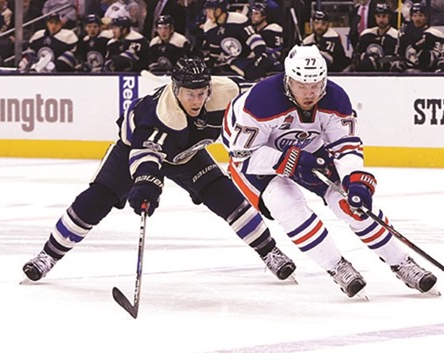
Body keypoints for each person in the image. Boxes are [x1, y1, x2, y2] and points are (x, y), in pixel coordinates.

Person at [22, 57, 297, 283]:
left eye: (202, 93)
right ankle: (48, 256)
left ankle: (270, 252)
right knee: (96, 200)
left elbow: (259, 95)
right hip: (133, 151)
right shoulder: (160, 115)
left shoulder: (224, 92)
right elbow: (146, 155)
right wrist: (147, 186)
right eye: (190, 94)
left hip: (186, 155)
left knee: (225, 197)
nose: (197, 101)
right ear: (176, 89)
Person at [222, 44, 438, 298]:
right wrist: (290, 159)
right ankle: (337, 267)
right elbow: (243, 156)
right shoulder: (261, 101)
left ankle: (401, 262)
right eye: (302, 85)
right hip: (257, 156)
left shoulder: (336, 98)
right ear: (288, 79)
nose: (309, 93)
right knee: (286, 204)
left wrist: (354, 180)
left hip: (309, 148)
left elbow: (345, 146)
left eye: (315, 85)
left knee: (352, 204)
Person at [202, 0, 272, 80]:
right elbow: (214, 50)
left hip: (251, 55)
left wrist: (261, 54)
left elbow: (253, 38)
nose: (207, 14)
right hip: (232, 59)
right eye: (206, 11)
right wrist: (210, 65)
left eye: (210, 10)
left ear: (219, 10)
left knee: (270, 67)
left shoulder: (238, 19)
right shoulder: (209, 27)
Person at [393, 2, 444, 72]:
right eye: (414, 16)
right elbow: (400, 55)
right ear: (411, 17)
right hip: (407, 73)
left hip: (428, 74)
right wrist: (399, 64)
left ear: (426, 17)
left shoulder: (434, 34)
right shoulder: (405, 35)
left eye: (420, 16)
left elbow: (437, 59)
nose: (417, 19)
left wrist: (421, 50)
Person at [353, 2, 400, 72]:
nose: (381, 20)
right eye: (378, 16)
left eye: (384, 16)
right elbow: (356, 56)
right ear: (375, 17)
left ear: (389, 17)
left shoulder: (396, 35)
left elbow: (396, 59)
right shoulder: (366, 34)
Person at [249, 2, 284, 72]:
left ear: (264, 16)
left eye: (256, 13)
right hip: (256, 62)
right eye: (252, 14)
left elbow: (274, 51)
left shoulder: (273, 28)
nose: (253, 16)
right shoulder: (251, 29)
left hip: (271, 63)